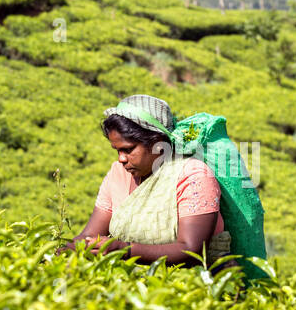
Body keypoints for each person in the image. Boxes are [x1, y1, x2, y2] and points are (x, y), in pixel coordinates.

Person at [59, 94, 234, 269]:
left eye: (128, 150)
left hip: (197, 283)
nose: (121, 158)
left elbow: (190, 250)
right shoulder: (117, 173)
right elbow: (89, 235)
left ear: (157, 143)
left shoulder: (192, 175)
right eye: (117, 150)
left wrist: (125, 250)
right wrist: (55, 254)